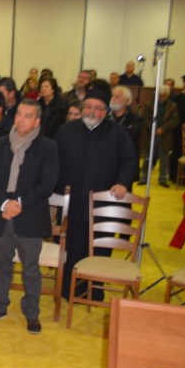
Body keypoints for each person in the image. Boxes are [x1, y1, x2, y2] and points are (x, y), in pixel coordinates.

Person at [0, 99, 59, 334]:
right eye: (19, 115)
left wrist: (19, 204)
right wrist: (5, 203)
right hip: (2, 214)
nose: (21, 120)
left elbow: (47, 184)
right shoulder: (1, 143)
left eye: (28, 116)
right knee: (0, 265)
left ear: (37, 121)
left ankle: (32, 313)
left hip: (30, 216)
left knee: (30, 270)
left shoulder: (47, 147)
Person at [55, 87, 137, 301]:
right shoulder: (66, 131)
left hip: (103, 204)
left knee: (99, 249)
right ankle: (69, 290)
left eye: (98, 108)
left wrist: (122, 183)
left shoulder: (118, 133)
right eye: (88, 107)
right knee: (72, 248)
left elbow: (129, 162)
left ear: (106, 111)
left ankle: (94, 290)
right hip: (73, 201)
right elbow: (53, 161)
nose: (91, 111)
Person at [138, 85, 178, 187]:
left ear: (167, 95)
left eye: (163, 95)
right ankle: (144, 177)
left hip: (165, 135)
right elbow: (144, 119)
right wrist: (154, 128)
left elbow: (174, 120)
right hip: (150, 135)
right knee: (147, 157)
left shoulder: (172, 106)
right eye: (159, 95)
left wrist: (162, 129)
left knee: (164, 158)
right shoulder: (148, 104)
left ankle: (163, 179)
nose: (161, 97)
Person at [108, 86, 142, 183]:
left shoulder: (136, 119)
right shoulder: (104, 118)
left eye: (117, 96)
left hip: (126, 165)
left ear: (127, 101)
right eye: (112, 95)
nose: (113, 99)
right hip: (106, 164)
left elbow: (130, 138)